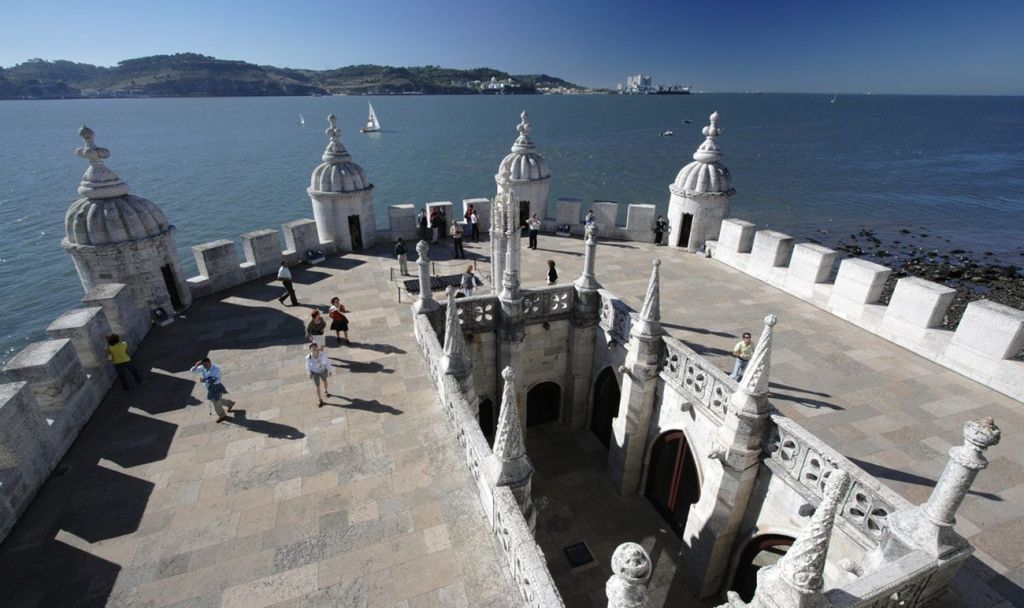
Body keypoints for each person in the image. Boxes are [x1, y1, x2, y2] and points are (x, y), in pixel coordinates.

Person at [191, 357, 232, 423]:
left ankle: (222, 416)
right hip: (209, 388)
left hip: (216, 387)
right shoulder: (203, 367)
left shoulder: (216, 369)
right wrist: (196, 365)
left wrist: (204, 380)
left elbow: (213, 380)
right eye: (204, 365)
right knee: (217, 400)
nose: (205, 366)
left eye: (206, 365)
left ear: (210, 362)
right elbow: (193, 371)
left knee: (216, 403)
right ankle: (229, 403)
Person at [306, 342, 333, 407]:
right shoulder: (308, 357)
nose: (315, 350)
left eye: (315, 348)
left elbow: (327, 362)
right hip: (315, 373)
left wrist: (329, 370)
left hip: (323, 370)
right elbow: (307, 366)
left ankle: (326, 391)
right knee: (317, 386)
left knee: (325, 381)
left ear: (317, 348)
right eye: (313, 349)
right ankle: (320, 399)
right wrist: (309, 373)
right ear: (311, 350)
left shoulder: (322, 354)